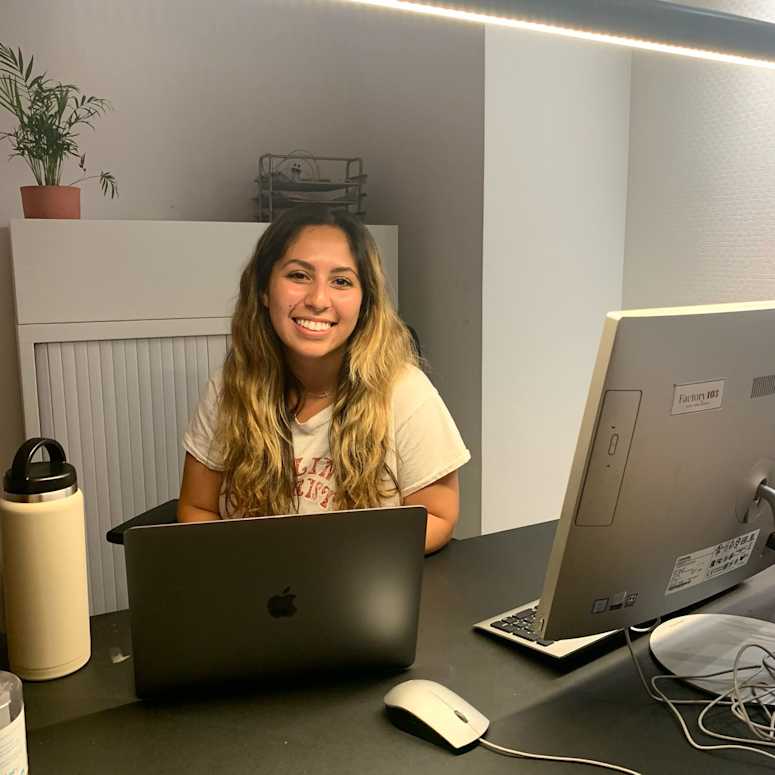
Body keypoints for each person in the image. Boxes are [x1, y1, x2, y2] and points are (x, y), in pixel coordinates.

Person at [178, 205, 470, 553]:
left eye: (341, 281)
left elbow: (438, 516)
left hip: (359, 590)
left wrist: (338, 559)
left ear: (365, 303)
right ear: (264, 290)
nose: (318, 300)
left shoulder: (405, 392)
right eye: (299, 276)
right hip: (253, 593)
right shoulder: (229, 388)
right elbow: (197, 507)